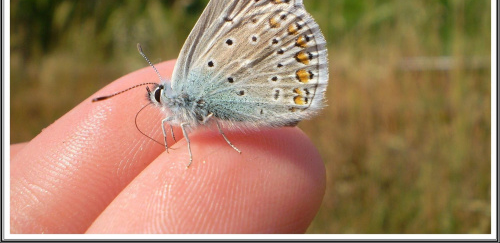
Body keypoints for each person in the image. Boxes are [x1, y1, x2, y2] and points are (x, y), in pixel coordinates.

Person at [10, 60, 326, 234]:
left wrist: (200, 146)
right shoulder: (172, 111)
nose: (159, 101)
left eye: (159, 97)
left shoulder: (182, 93)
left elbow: (205, 116)